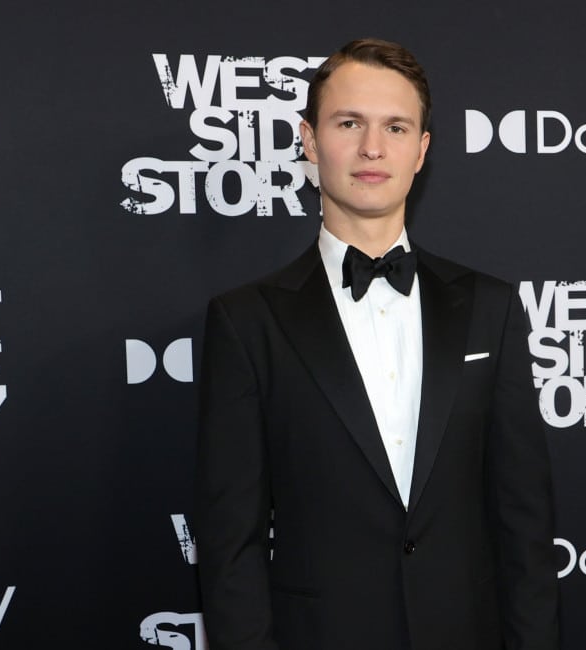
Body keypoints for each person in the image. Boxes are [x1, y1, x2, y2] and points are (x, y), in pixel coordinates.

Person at [196, 38, 558, 650]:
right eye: (348, 123)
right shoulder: (246, 322)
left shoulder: (490, 309)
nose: (372, 147)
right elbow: (231, 545)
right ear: (309, 141)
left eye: (395, 126)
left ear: (421, 151)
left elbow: (524, 525)